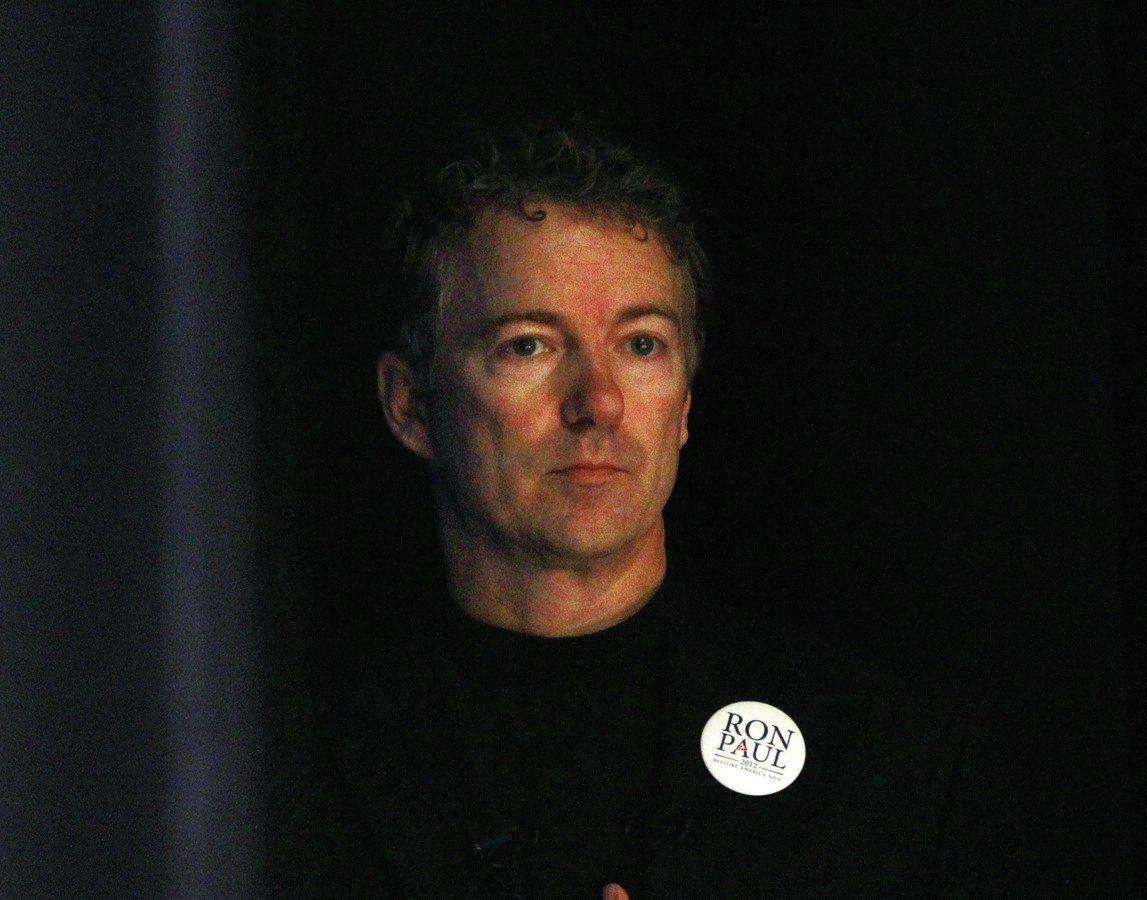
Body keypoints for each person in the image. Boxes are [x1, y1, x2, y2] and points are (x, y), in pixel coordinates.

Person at [283, 120, 1035, 899]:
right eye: (529, 345)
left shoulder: (902, 760)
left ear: (683, 405)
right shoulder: (270, 783)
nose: (599, 403)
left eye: (641, 345)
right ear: (411, 405)